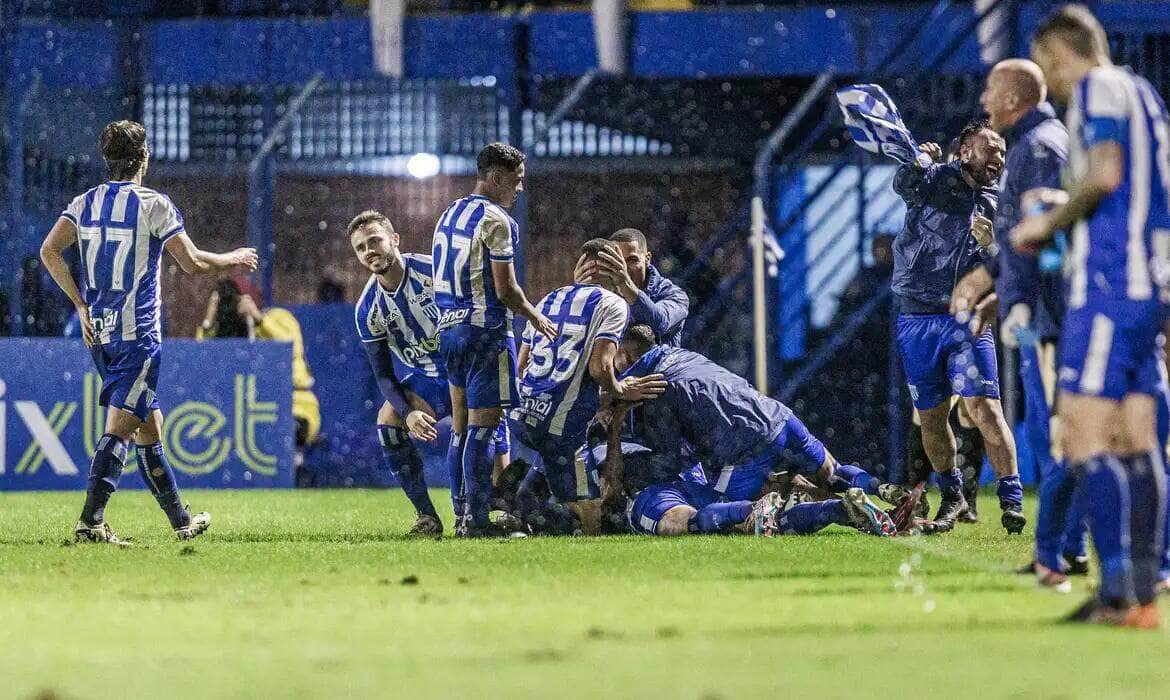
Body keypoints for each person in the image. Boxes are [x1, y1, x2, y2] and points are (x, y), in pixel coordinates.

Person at [1012, 4, 1170, 627]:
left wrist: (1045, 223)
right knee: (1137, 437)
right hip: (1146, 285)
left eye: (1046, 66)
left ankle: (1117, 594)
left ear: (1055, 53)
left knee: (1078, 432)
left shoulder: (1099, 87)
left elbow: (1104, 176)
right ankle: (1143, 590)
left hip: (1109, 287)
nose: (1048, 81)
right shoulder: (1145, 93)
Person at [39, 120, 257, 544]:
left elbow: (49, 251)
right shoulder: (153, 204)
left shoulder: (84, 203)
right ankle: (90, 523)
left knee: (148, 424)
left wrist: (80, 304)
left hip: (98, 334)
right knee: (121, 427)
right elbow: (191, 262)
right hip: (137, 336)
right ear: (145, 157)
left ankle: (181, 522)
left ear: (106, 160)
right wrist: (233, 258)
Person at [612, 324, 914, 520]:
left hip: (742, 452)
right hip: (779, 419)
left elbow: (671, 456)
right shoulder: (682, 354)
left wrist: (639, 473)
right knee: (831, 471)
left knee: (738, 515)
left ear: (624, 356)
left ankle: (840, 510)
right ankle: (881, 488)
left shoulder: (650, 386)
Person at [973, 57, 1087, 580]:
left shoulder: (1036, 148)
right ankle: (1069, 544)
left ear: (1014, 98)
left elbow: (1038, 236)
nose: (983, 102)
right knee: (1062, 433)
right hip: (1054, 308)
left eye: (991, 91)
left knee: (1056, 434)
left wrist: (1019, 297)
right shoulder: (1049, 139)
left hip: (1049, 316)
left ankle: (1061, 548)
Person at [891, 119, 1026, 533]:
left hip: (966, 319)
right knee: (931, 417)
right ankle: (952, 497)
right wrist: (919, 160)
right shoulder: (934, 180)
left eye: (1003, 151)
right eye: (990, 148)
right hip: (917, 318)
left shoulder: (1001, 201)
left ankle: (1011, 499)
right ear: (965, 151)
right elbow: (903, 185)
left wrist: (990, 243)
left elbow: (1014, 258)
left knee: (983, 409)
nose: (998, 157)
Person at [349, 210, 511, 535]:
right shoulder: (368, 309)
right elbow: (383, 375)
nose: (370, 251)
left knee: (487, 442)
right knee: (389, 420)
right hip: (430, 380)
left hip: (469, 366)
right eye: (361, 247)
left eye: (375, 241)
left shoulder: (433, 272)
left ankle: (500, 508)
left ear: (394, 240)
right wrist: (408, 413)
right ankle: (427, 517)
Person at [432, 142, 556, 537]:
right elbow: (505, 290)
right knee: (483, 430)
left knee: (460, 428)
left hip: (448, 332)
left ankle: (460, 513)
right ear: (496, 178)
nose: (518, 190)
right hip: (485, 333)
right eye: (516, 182)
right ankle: (479, 521)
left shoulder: (449, 213)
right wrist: (535, 317)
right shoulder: (497, 220)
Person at [510, 239, 666, 530]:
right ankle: (590, 557)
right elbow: (600, 367)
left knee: (541, 492)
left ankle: (519, 505)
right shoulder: (613, 304)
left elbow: (521, 366)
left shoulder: (549, 299)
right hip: (563, 427)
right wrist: (621, 389)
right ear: (612, 267)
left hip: (522, 415)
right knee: (590, 506)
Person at [196, 277, 322, 486]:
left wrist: (258, 319)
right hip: (248, 411)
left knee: (284, 432)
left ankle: (295, 470)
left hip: (295, 404)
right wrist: (210, 319)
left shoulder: (278, 317)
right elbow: (203, 356)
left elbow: (290, 346)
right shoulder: (232, 335)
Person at [578, 228, 690, 347]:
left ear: (647, 259)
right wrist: (578, 297)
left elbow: (660, 323)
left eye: (632, 260)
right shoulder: (604, 293)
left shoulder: (674, 294)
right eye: (618, 260)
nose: (623, 268)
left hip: (659, 365)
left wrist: (625, 284)